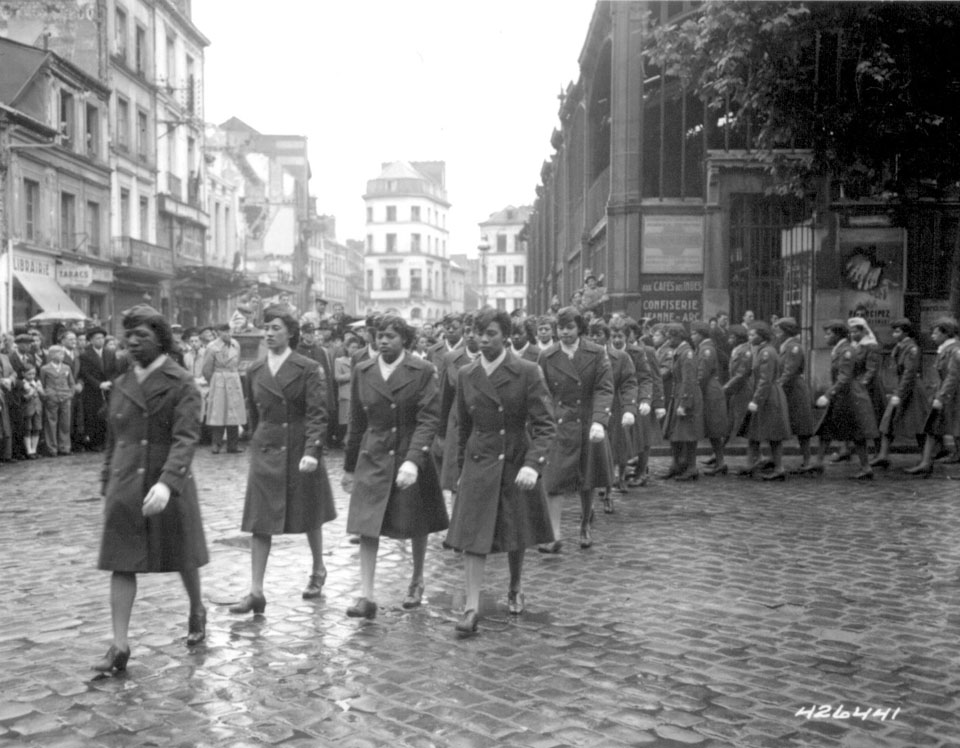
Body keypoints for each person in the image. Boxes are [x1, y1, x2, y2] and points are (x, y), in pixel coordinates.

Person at [93, 305, 208, 674]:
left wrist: (167, 482)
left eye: (142, 336)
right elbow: (115, 437)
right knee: (120, 561)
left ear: (161, 339)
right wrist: (108, 477)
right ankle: (120, 645)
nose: (133, 343)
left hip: (166, 484)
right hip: (126, 485)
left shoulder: (181, 383)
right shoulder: (122, 383)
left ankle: (196, 608)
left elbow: (186, 438)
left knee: (182, 555)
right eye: (129, 336)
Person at [445, 308, 556, 637]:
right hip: (479, 462)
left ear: (505, 336)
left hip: (515, 461)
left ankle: (515, 583)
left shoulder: (527, 371)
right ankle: (471, 606)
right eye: (478, 332)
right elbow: (463, 426)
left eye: (490, 333)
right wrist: (460, 470)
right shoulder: (467, 374)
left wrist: (532, 465)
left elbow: (545, 425)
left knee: (514, 530)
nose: (482, 339)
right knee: (472, 537)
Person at [229, 305, 338, 614]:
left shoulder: (307, 367)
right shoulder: (255, 370)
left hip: (298, 448)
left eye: (276, 327)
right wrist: (257, 439)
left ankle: (318, 569)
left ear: (290, 333)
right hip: (266, 448)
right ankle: (256, 591)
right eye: (267, 327)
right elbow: (254, 413)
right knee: (259, 520)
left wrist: (312, 450)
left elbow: (318, 412)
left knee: (309, 512)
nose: (269, 332)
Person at [341, 314, 448, 619]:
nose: (383, 341)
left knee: (417, 521)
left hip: (409, 452)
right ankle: (366, 594)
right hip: (373, 454)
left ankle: (416, 580)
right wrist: (349, 466)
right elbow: (357, 421)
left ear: (405, 339)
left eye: (390, 335)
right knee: (366, 524)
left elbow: (429, 418)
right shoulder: (362, 370)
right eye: (379, 336)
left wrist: (414, 460)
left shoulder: (423, 370)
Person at [538, 306, 614, 551]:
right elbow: (541, 392)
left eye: (569, 327)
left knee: (587, 477)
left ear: (579, 328)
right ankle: (554, 535)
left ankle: (585, 524)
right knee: (554, 479)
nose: (564, 333)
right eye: (560, 328)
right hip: (558, 424)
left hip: (587, 422)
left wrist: (599, 421)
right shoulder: (548, 356)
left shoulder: (596, 352)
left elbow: (604, 387)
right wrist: (542, 420)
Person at [805, 320, 879, 479]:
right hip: (842, 395)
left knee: (857, 433)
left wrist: (827, 395)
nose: (826, 337)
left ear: (838, 335)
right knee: (827, 428)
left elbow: (844, 377)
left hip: (849, 396)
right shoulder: (840, 349)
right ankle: (818, 461)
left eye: (829, 333)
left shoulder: (846, 351)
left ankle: (866, 467)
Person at [589, 318, 641, 509]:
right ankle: (592, 495)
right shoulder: (585, 357)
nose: (595, 338)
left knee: (612, 449)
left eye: (599, 334)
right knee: (592, 453)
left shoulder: (621, 358)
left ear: (607, 337)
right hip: (591, 409)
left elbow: (629, 383)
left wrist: (629, 409)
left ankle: (609, 493)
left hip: (614, 407)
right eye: (592, 334)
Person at [904, 317, 960, 476]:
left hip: (953, 397)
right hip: (948, 395)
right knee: (933, 427)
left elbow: (952, 377)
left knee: (946, 428)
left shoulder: (954, 351)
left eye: (935, 333)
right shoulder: (946, 349)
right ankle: (926, 463)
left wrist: (940, 397)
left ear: (946, 333)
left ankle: (926, 463)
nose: (932, 336)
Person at [737, 321, 792, 480]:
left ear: (761, 336)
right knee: (753, 431)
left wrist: (756, 399)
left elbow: (765, 379)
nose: (749, 337)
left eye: (753, 335)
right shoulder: (761, 350)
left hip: (768, 396)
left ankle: (779, 467)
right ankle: (751, 463)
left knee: (774, 434)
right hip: (764, 394)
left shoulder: (766, 352)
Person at [872, 318, 929, 469]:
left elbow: (909, 373)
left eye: (897, 331)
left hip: (912, 389)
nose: (894, 334)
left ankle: (926, 460)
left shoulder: (912, 349)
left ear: (906, 332)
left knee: (919, 425)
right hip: (902, 387)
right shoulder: (900, 347)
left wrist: (899, 393)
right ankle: (883, 455)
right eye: (894, 330)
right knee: (888, 421)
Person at [661, 323, 704, 481]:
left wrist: (684, 403)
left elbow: (689, 380)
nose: (668, 340)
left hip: (687, 395)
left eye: (671, 336)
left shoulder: (687, 354)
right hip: (678, 394)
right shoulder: (680, 352)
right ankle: (677, 464)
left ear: (679, 337)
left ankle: (691, 467)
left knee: (688, 434)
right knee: (675, 432)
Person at [772, 317, 815, 472]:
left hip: (795, 390)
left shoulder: (793, 347)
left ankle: (808, 461)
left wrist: (776, 387)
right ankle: (775, 459)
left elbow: (789, 371)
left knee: (802, 428)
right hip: (787, 389)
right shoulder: (784, 345)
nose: (775, 332)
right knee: (781, 424)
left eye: (778, 329)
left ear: (785, 331)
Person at [202, 324, 246, 454]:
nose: (228, 334)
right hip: (219, 380)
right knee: (218, 413)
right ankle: (216, 444)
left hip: (233, 379)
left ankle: (233, 445)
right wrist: (215, 381)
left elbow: (237, 362)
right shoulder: (212, 347)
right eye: (224, 331)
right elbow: (206, 369)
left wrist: (232, 374)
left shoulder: (235, 345)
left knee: (234, 413)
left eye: (229, 330)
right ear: (218, 333)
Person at [691, 321, 728, 474]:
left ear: (700, 334)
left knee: (714, 428)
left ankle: (720, 462)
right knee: (713, 429)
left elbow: (702, 373)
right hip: (709, 389)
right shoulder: (705, 347)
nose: (692, 336)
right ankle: (719, 461)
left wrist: (694, 390)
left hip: (709, 391)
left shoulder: (706, 349)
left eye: (694, 333)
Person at [78, 327, 118, 452]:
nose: (100, 340)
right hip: (93, 389)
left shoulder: (110, 353)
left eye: (102, 338)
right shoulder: (85, 355)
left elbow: (114, 370)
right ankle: (96, 442)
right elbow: (85, 373)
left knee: (108, 414)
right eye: (97, 338)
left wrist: (110, 382)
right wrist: (99, 384)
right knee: (94, 415)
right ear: (91, 340)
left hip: (109, 388)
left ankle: (107, 442)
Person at [40, 345, 75, 456]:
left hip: (65, 397)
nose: (61, 356)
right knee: (51, 423)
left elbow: (71, 383)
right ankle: (52, 448)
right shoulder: (45, 368)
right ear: (51, 355)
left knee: (65, 423)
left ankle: (64, 447)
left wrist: (70, 394)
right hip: (52, 398)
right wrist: (46, 395)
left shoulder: (66, 368)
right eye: (59, 353)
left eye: (62, 354)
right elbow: (42, 384)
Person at [19, 365, 43, 459]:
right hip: (27, 409)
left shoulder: (36, 382)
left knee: (37, 428)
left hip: (37, 408)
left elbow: (42, 394)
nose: (32, 376)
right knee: (27, 429)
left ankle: (34, 449)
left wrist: (40, 389)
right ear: (23, 374)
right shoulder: (22, 383)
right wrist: (31, 393)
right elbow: (23, 397)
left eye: (33, 374)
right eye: (29, 374)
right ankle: (28, 450)